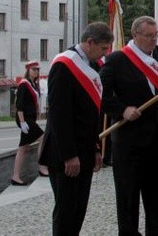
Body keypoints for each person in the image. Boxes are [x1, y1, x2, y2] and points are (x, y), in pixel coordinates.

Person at [100, 16, 158, 236]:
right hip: (129, 140)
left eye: (156, 35)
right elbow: (102, 97)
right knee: (128, 193)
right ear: (136, 35)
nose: (153, 40)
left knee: (156, 192)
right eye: (149, 36)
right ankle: (129, 232)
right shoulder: (117, 60)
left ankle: (154, 230)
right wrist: (122, 109)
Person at [39, 22, 114, 236]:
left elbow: (94, 114)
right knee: (66, 210)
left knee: (78, 209)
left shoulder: (92, 65)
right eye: (102, 48)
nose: (104, 54)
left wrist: (96, 147)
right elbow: (59, 115)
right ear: (89, 42)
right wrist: (69, 155)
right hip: (65, 154)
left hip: (85, 150)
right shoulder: (64, 64)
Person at [11, 60, 47, 185]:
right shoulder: (24, 84)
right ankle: (42, 167)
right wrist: (22, 122)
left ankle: (15, 176)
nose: (36, 71)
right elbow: (19, 105)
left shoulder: (33, 84)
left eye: (38, 69)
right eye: (34, 69)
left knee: (23, 147)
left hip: (30, 119)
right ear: (28, 70)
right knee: (43, 137)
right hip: (24, 118)